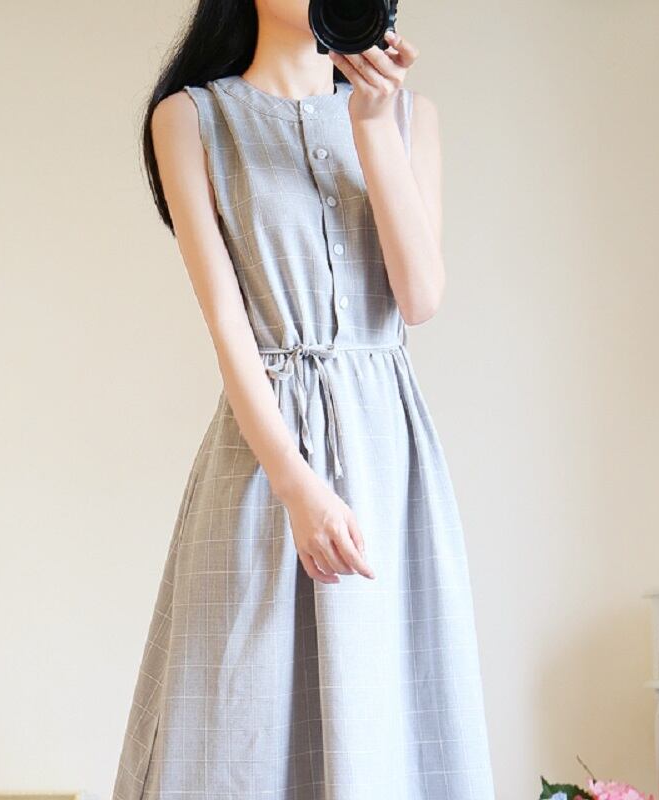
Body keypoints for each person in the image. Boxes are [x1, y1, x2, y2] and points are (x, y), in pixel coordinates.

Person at [111, 1, 496, 798]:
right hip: (264, 463)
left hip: (388, 460)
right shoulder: (190, 119)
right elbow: (230, 331)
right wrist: (296, 485)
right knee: (237, 732)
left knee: (385, 727)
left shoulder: (410, 117)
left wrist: (373, 123)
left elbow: (419, 297)